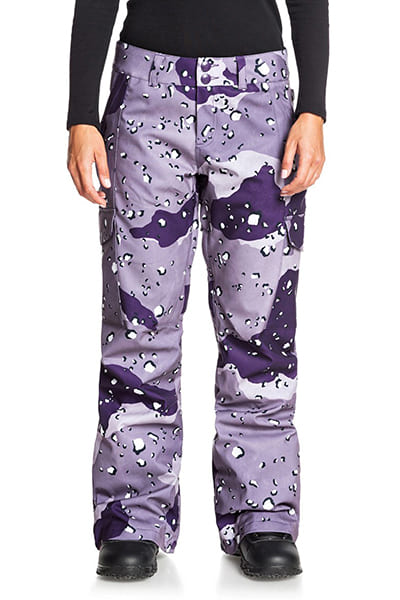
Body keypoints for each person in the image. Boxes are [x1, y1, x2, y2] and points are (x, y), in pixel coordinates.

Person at [66, 0, 329, 581]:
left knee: (259, 321)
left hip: (258, 96)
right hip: (145, 93)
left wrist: (314, 106)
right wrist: (80, 112)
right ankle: (132, 517)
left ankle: (263, 511)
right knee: (139, 318)